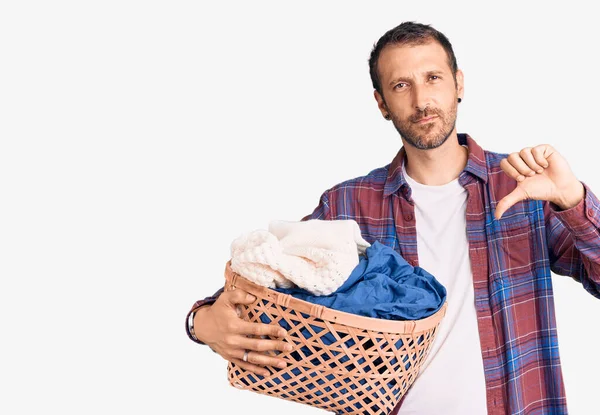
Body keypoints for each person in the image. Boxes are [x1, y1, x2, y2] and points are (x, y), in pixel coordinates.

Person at [185, 21, 600, 415]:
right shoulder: (348, 205)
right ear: (382, 103)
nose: (422, 101)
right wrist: (201, 321)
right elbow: (267, 279)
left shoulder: (522, 185)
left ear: (459, 84)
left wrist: (574, 200)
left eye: (433, 78)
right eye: (402, 85)